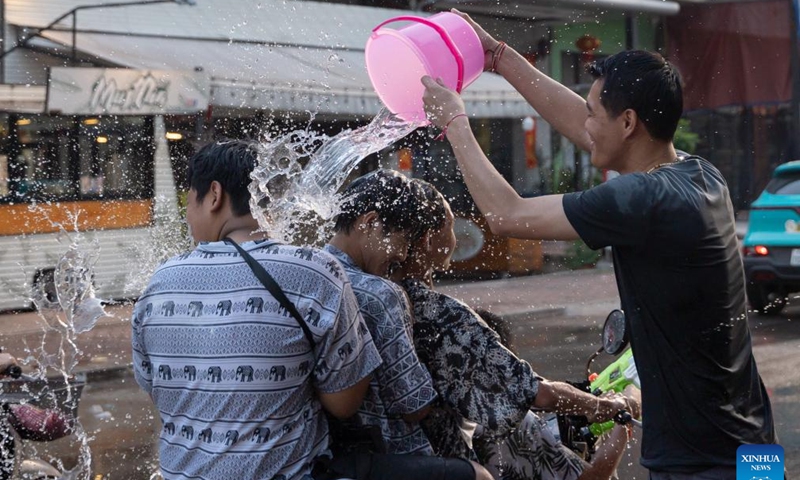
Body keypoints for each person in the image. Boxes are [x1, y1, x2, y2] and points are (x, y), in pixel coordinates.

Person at [420, 12, 776, 478]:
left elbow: (507, 215)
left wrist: (455, 123)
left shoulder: (640, 198)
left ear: (628, 122)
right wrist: (499, 58)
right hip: (752, 446)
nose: (585, 124)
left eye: (595, 113)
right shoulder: (697, 175)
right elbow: (579, 122)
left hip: (700, 461)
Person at [131, 140, 382, 480]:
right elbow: (344, 403)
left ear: (214, 195)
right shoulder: (313, 271)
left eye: (190, 201)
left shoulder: (158, 284)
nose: (188, 216)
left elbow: (161, 393)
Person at [392, 178, 636, 480]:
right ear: (430, 239)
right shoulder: (442, 319)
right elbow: (539, 394)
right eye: (451, 224)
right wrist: (610, 408)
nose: (455, 238)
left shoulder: (373, 294)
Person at [322, 169, 492, 480]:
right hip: (388, 452)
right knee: (480, 475)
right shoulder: (379, 293)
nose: (401, 256)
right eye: (401, 240)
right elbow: (413, 405)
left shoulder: (308, 273)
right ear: (369, 222)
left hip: (328, 453)